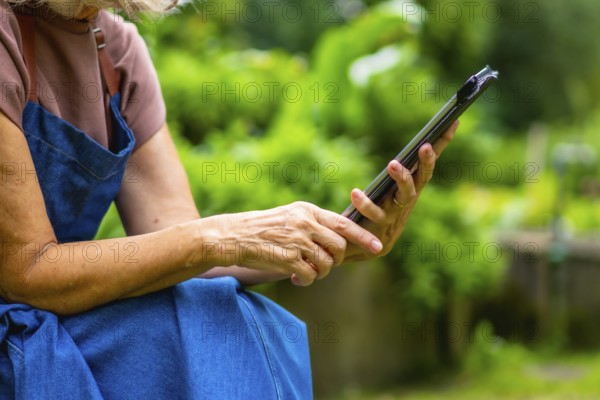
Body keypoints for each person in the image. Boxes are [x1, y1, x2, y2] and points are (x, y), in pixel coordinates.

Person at [0, 0, 458, 398]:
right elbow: (31, 270)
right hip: (17, 330)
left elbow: (172, 245)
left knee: (242, 317)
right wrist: (220, 237)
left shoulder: (116, 55)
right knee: (189, 331)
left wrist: (326, 240)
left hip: (58, 319)